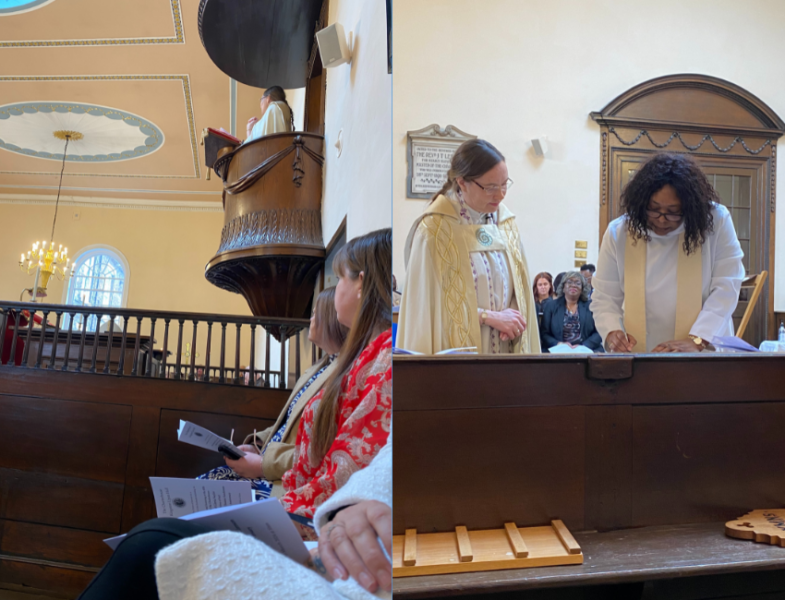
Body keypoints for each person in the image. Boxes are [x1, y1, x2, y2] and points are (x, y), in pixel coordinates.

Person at [77, 438, 393, 600]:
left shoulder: (378, 357)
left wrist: (263, 464)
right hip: (332, 511)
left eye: (318, 309)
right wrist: (355, 503)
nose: (313, 314)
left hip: (303, 504)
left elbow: (343, 450)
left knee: (149, 544)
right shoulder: (331, 364)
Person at [196, 287, 348, 500]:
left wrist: (263, 464)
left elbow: (324, 453)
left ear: (331, 320)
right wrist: (256, 445)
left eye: (315, 314)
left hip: (283, 480)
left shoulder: (345, 374)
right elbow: (286, 424)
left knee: (203, 499)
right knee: (197, 489)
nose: (310, 320)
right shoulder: (317, 368)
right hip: (268, 464)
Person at [397, 139, 541, 354]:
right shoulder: (434, 230)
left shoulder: (505, 223)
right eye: (491, 187)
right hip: (458, 354)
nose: (500, 195)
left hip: (505, 350)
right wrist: (490, 317)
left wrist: (513, 315)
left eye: (504, 185)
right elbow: (428, 309)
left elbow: (518, 288)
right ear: (462, 182)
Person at [591, 152, 744, 353]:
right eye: (653, 209)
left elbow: (727, 286)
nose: (662, 220)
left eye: (673, 212)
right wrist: (612, 332)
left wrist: (698, 339)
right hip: (639, 354)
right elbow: (605, 296)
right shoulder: (618, 232)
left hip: (703, 350)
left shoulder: (716, 221)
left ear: (690, 208)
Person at [540, 271, 602, 352]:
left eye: (577, 283)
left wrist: (584, 346)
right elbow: (544, 334)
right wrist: (558, 344)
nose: (573, 285)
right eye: (569, 282)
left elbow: (599, 332)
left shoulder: (591, 306)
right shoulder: (551, 306)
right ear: (563, 287)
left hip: (585, 349)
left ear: (582, 288)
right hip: (558, 349)